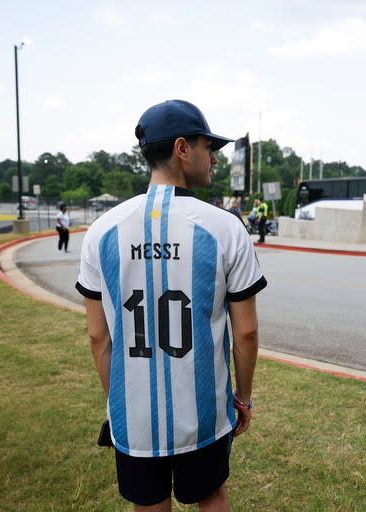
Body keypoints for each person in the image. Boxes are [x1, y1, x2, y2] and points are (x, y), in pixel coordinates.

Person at [76, 99, 266, 511]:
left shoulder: (101, 231)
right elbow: (246, 332)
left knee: (149, 504)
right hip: (205, 411)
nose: (213, 158)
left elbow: (97, 336)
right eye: (207, 147)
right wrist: (244, 399)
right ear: (182, 149)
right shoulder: (225, 227)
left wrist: (118, 402)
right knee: (211, 496)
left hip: (135, 415)